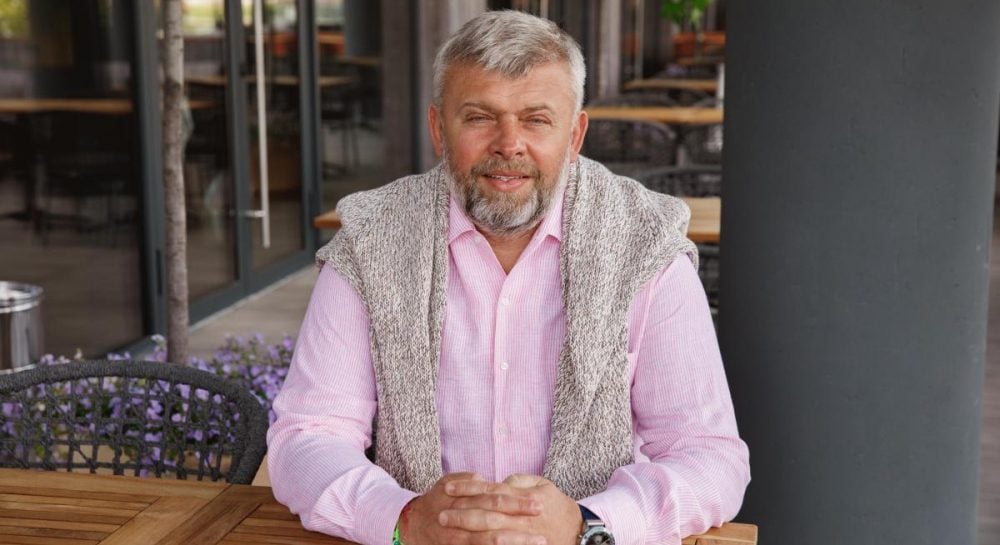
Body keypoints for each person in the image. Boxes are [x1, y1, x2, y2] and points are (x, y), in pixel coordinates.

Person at [267, 10, 749, 545]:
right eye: (479, 117)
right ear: (438, 130)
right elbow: (308, 436)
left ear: (575, 134)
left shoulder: (646, 243)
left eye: (536, 120)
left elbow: (708, 456)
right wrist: (403, 521)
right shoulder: (371, 239)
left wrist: (589, 525)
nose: (509, 143)